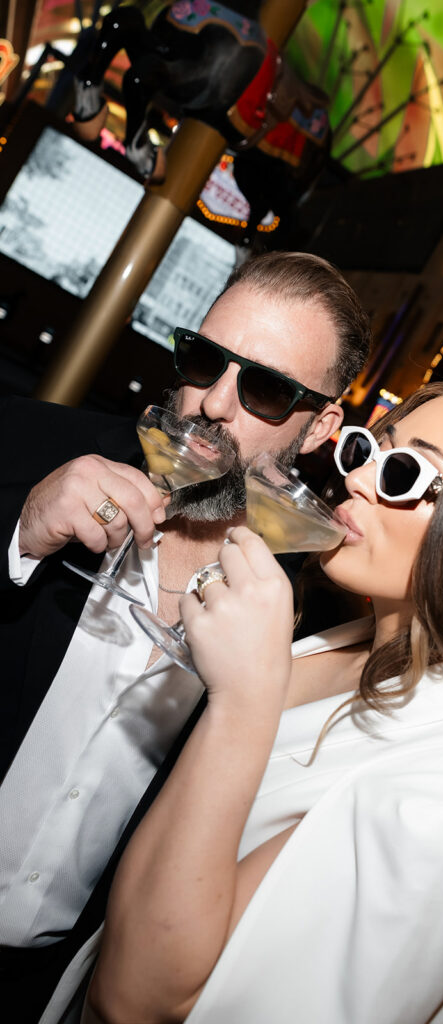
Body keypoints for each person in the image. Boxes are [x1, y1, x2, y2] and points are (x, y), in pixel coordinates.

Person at [74, 359, 443, 1024]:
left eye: (403, 475)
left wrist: (241, 703)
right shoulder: (348, 641)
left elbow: (138, 999)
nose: (352, 477)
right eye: (369, 448)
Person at [0, 251, 371, 1022]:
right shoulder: (32, 449)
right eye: (205, 360)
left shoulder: (309, 618)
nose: (213, 403)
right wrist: (18, 538)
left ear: (320, 426)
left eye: (267, 388)